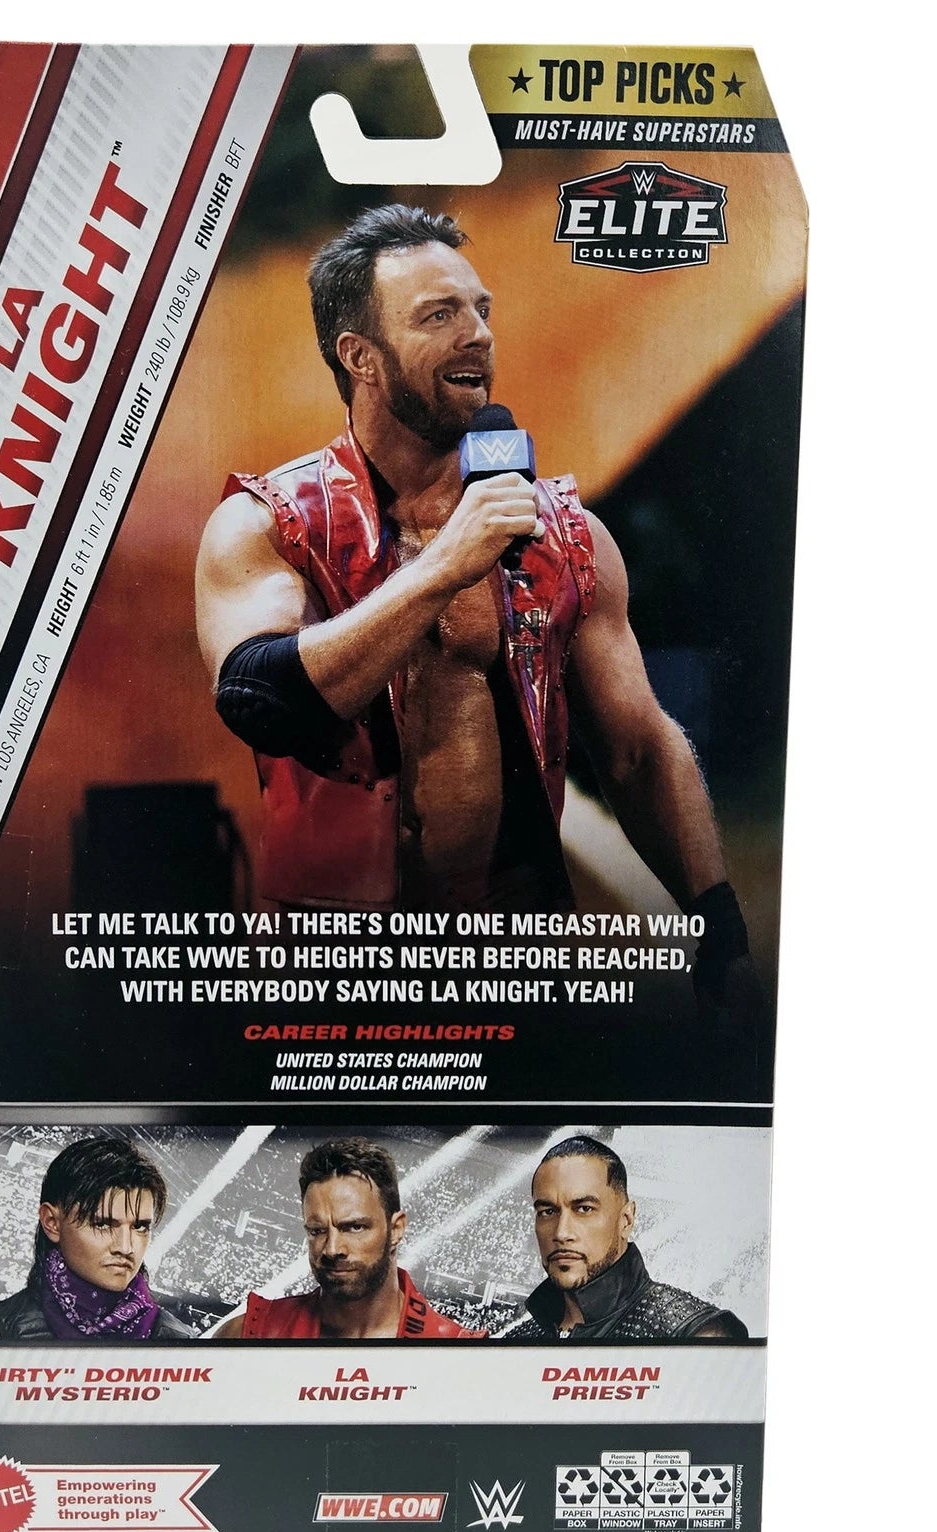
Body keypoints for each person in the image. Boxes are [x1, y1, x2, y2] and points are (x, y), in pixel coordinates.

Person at [194, 204, 752, 1011]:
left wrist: (720, 930)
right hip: (332, 969)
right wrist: (444, 567)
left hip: (521, 958)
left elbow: (637, 748)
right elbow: (261, 698)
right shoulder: (270, 523)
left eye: (480, 310)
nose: (478, 335)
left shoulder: (563, 533)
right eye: (439, 316)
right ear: (361, 356)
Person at [216, 1136, 483, 1339]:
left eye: (354, 1227)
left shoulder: (457, 1352)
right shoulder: (247, 1334)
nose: (332, 1249)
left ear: (396, 1229)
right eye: (317, 1230)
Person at [0, 1134, 192, 1340]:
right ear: (52, 1222)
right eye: (103, 1224)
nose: (126, 1247)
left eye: (140, 1227)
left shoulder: (179, 1339)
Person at [510, 1134, 747, 1341]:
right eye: (547, 1212)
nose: (561, 1233)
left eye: (584, 1209)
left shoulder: (694, 1331)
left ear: (626, 1220)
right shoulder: (520, 1337)